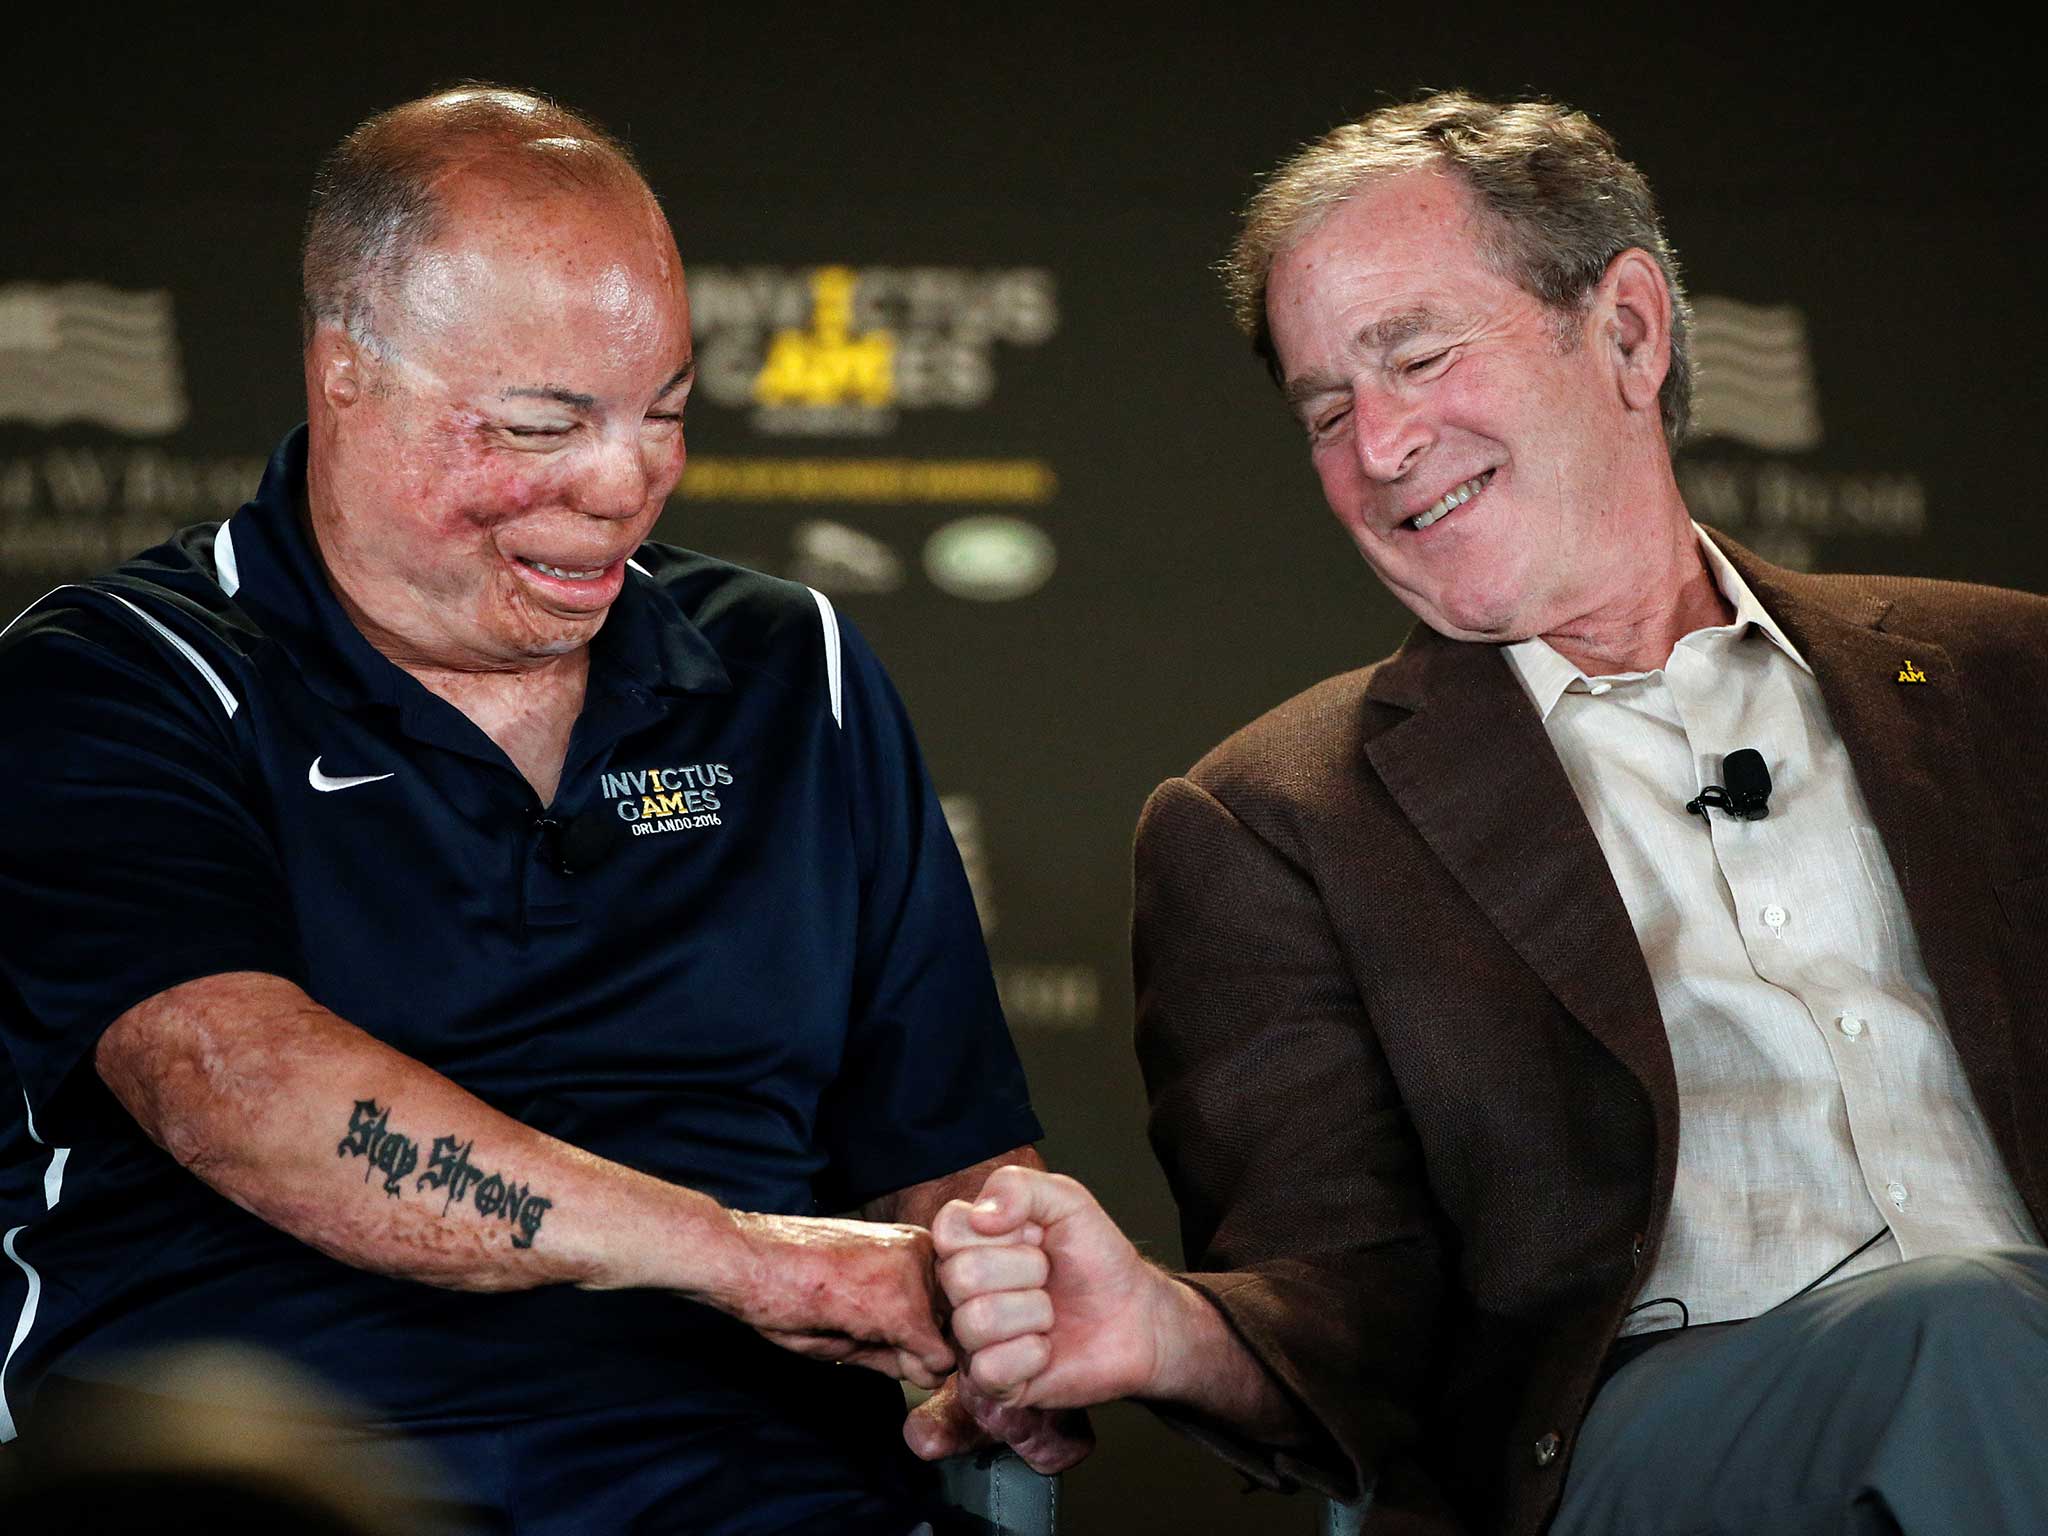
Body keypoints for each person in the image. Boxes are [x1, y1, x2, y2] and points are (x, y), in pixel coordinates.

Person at [924, 92, 2048, 1535]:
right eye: (1329, 410)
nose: (1381, 446)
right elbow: (1342, 1315)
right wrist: (1169, 1329)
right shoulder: (1276, 819)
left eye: (1419, 356)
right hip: (1636, 1448)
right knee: (1956, 1339)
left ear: (1628, 330)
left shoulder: (2010, 683)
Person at [0, 86, 1083, 1536]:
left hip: (767, 1493)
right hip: (279, 1479)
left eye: (668, 414)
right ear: (345, 376)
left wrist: (1003, 1310)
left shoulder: (790, 672)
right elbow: (245, 1093)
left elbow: (947, 1152)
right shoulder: (122, 677)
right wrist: (756, 1262)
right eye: (540, 425)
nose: (622, 482)